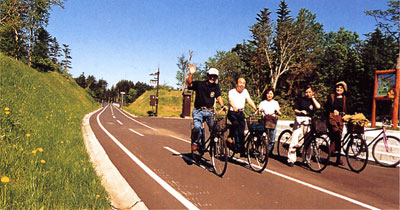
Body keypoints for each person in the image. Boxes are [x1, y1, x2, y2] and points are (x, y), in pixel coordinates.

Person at [187, 65, 226, 151]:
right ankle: (195, 142)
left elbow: (218, 97)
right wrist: (191, 74)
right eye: (211, 76)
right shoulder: (200, 84)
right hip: (198, 111)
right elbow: (189, 84)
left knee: (214, 128)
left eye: (214, 77)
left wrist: (223, 106)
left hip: (209, 111)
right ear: (207, 76)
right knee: (197, 127)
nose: (212, 78)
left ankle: (213, 144)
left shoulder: (216, 87)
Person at [287, 85, 321, 167]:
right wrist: (300, 112)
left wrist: (312, 98)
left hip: (309, 122)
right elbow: (295, 109)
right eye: (306, 92)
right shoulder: (300, 100)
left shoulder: (313, 101)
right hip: (299, 121)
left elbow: (318, 107)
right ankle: (291, 159)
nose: (308, 94)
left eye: (309, 92)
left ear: (313, 92)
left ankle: (306, 160)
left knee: (308, 142)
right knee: (295, 140)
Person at [226, 77, 257, 157]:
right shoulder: (232, 92)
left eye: (243, 83)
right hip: (232, 112)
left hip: (241, 113)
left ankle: (241, 150)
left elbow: (249, 100)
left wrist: (256, 109)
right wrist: (234, 107)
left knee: (241, 131)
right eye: (240, 83)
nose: (242, 85)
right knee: (235, 123)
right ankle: (230, 137)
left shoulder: (245, 92)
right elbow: (230, 100)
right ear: (237, 84)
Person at [325, 81, 350, 166]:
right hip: (331, 118)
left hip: (341, 119)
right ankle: (332, 154)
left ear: (344, 90)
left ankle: (337, 158)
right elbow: (327, 106)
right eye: (338, 87)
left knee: (337, 137)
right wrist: (333, 110)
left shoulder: (345, 98)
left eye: (341, 88)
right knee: (336, 135)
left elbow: (348, 108)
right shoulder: (331, 96)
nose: (339, 89)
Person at [258, 88, 282, 155]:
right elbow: (259, 110)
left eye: (271, 94)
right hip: (264, 121)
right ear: (266, 94)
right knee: (261, 135)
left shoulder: (275, 103)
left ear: (273, 95)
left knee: (272, 137)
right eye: (268, 93)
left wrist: (278, 112)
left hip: (272, 121)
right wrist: (259, 111)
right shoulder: (263, 103)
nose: (269, 95)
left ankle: (269, 151)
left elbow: (278, 110)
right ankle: (260, 147)